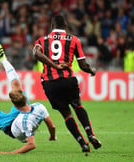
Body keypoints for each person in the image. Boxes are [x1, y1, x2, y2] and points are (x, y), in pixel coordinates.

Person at [33, 15, 102, 153]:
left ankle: (83, 144)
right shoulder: (74, 40)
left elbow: (36, 53)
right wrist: (91, 70)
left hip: (50, 83)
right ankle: (90, 134)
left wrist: (53, 65)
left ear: (52, 26)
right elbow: (82, 65)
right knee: (77, 105)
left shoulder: (42, 40)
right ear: (65, 26)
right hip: (67, 80)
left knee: (66, 115)